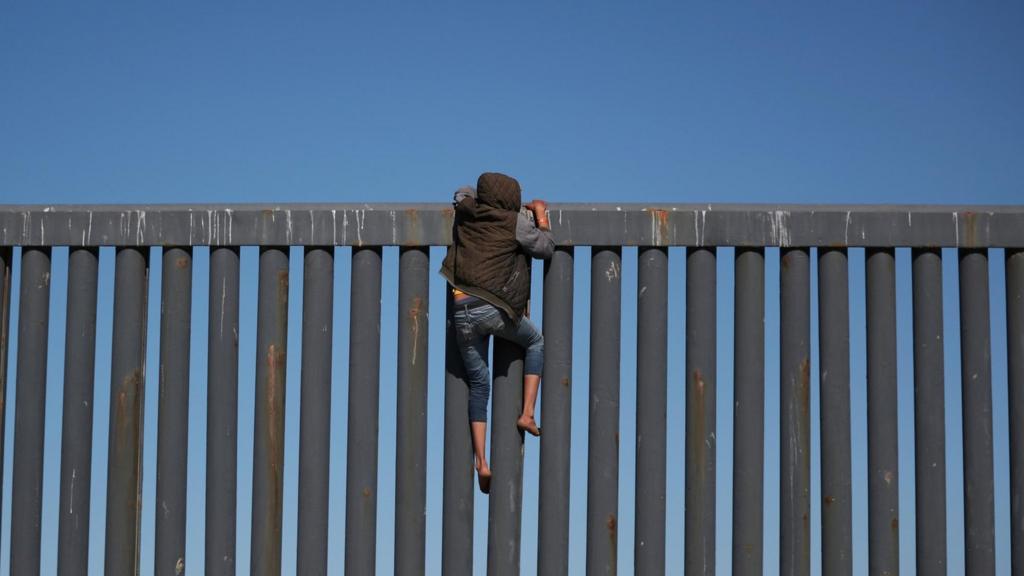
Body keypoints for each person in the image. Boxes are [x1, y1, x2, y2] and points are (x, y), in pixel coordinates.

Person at [440, 172, 554, 494]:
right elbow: (545, 248)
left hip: (461, 309)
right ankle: (528, 414)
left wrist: (472, 194)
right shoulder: (513, 222)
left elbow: (460, 192)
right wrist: (541, 215)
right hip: (493, 307)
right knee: (535, 341)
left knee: (479, 382)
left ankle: (481, 461)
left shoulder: (469, 211)